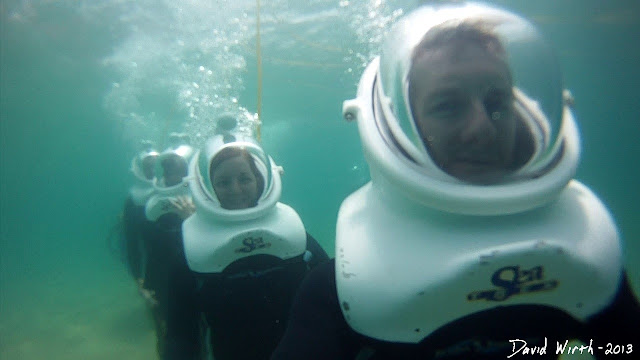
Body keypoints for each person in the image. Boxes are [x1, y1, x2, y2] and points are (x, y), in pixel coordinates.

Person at [272, 2, 639, 360]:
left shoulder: (587, 247)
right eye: (448, 105)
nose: (481, 128)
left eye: (497, 102)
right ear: (398, 128)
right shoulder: (348, 288)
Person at [164, 133, 329, 360]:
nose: (236, 189)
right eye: (223, 182)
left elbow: (328, 290)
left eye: (245, 179)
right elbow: (180, 331)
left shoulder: (290, 227)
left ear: (260, 179)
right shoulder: (192, 245)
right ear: (207, 188)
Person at [141, 137, 197, 359]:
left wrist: (191, 219)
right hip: (163, 279)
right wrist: (147, 283)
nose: (173, 175)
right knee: (167, 333)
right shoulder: (153, 204)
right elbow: (151, 248)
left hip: (189, 279)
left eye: (178, 168)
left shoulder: (203, 199)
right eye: (168, 169)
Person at [120, 142, 159, 283]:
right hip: (152, 264)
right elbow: (132, 244)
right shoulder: (133, 199)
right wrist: (138, 278)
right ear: (139, 169)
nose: (154, 170)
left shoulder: (175, 189)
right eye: (148, 167)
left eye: (157, 165)